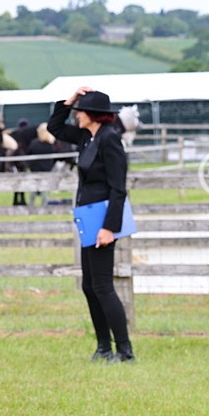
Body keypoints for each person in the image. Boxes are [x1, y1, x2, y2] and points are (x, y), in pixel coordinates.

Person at [47, 87, 135, 362]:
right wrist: (70, 100)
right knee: (89, 285)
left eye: (81, 111)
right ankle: (103, 347)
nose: (77, 115)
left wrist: (109, 228)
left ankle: (124, 350)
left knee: (103, 286)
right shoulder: (86, 136)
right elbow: (54, 127)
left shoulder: (110, 139)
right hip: (87, 217)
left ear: (94, 114)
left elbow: (118, 188)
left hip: (103, 220)